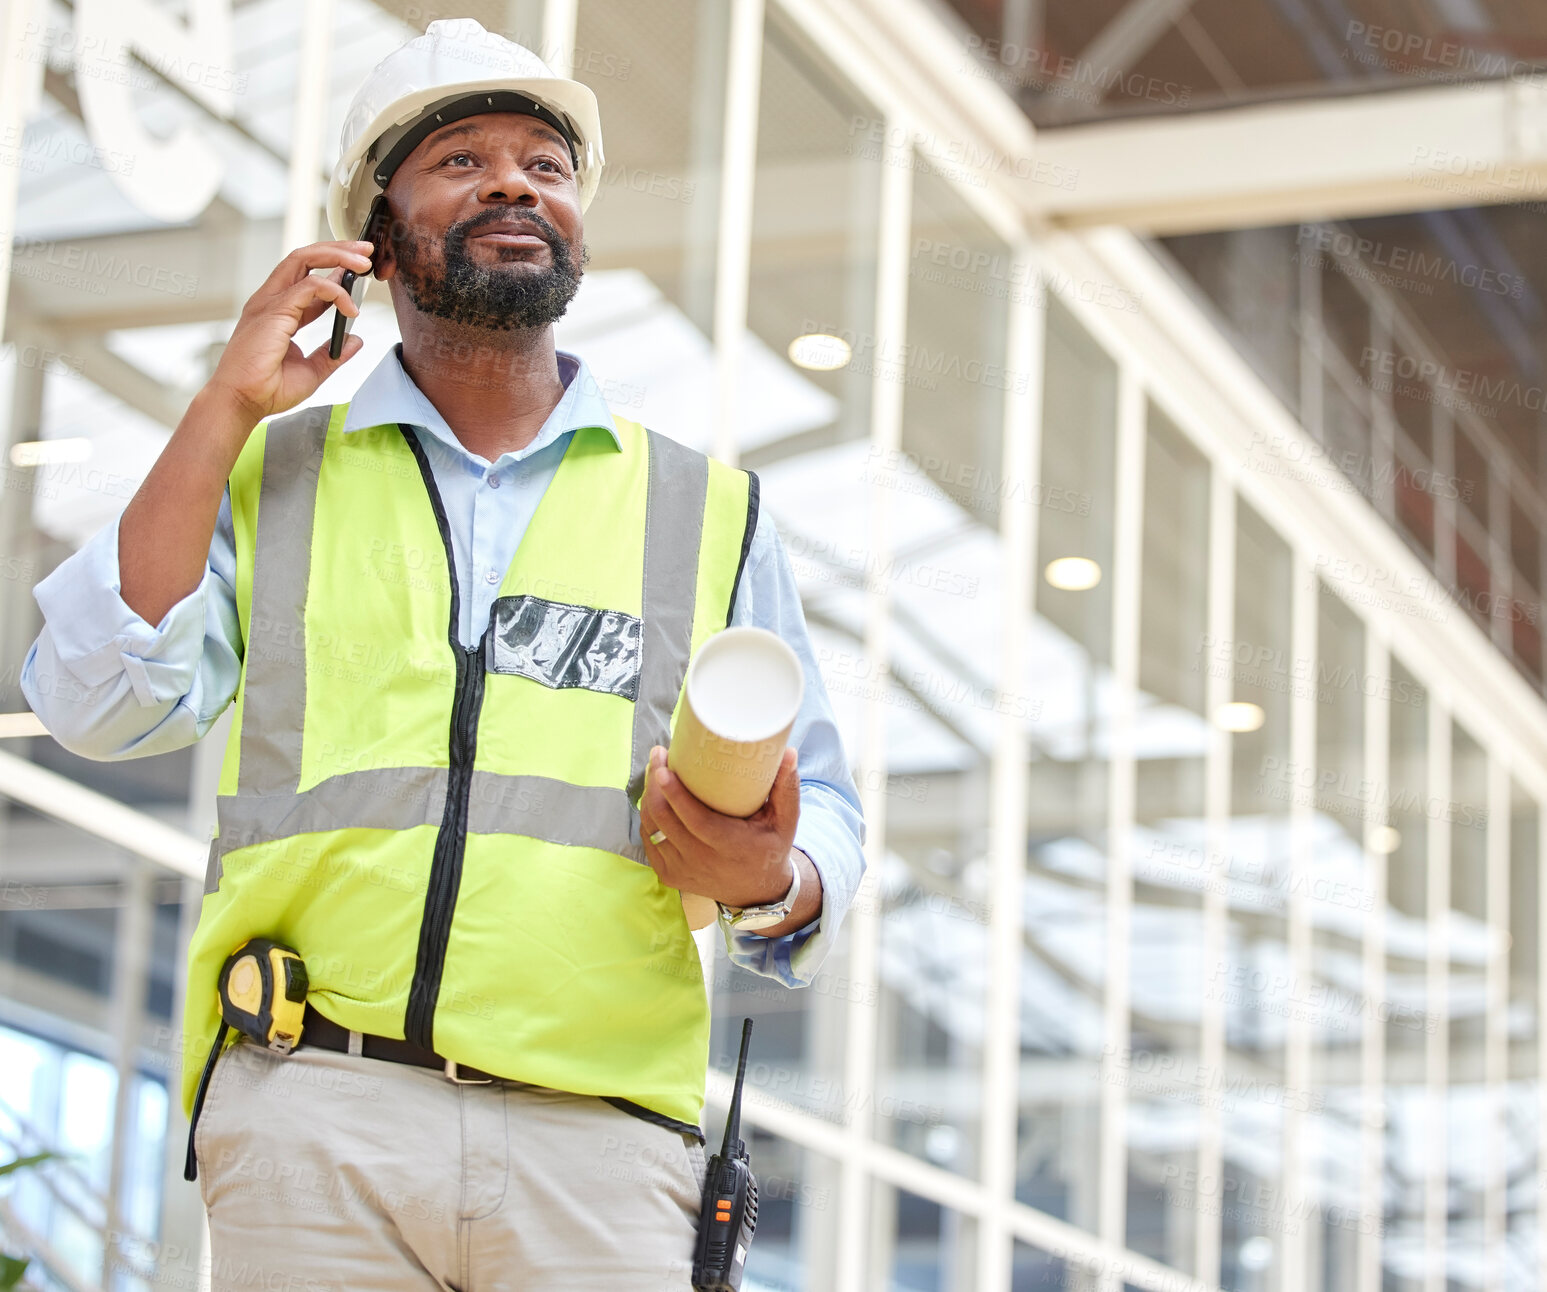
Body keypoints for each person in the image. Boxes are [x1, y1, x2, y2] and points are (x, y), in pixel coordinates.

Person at [21, 19, 864, 1290]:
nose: (516, 182)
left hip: (604, 1139)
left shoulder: (707, 510)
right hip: (316, 1111)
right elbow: (94, 699)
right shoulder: (267, 476)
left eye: (546, 163)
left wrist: (771, 876)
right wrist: (222, 406)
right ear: (371, 230)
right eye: (461, 160)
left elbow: (829, 818)